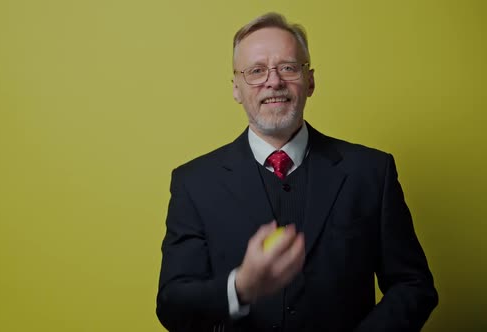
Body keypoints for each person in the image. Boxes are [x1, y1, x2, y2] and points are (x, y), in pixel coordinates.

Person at [156, 12, 438, 332]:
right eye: (256, 70)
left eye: (288, 68)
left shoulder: (372, 172)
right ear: (236, 88)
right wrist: (240, 288)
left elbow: (413, 286)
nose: (273, 81)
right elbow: (172, 306)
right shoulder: (194, 183)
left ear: (310, 81)